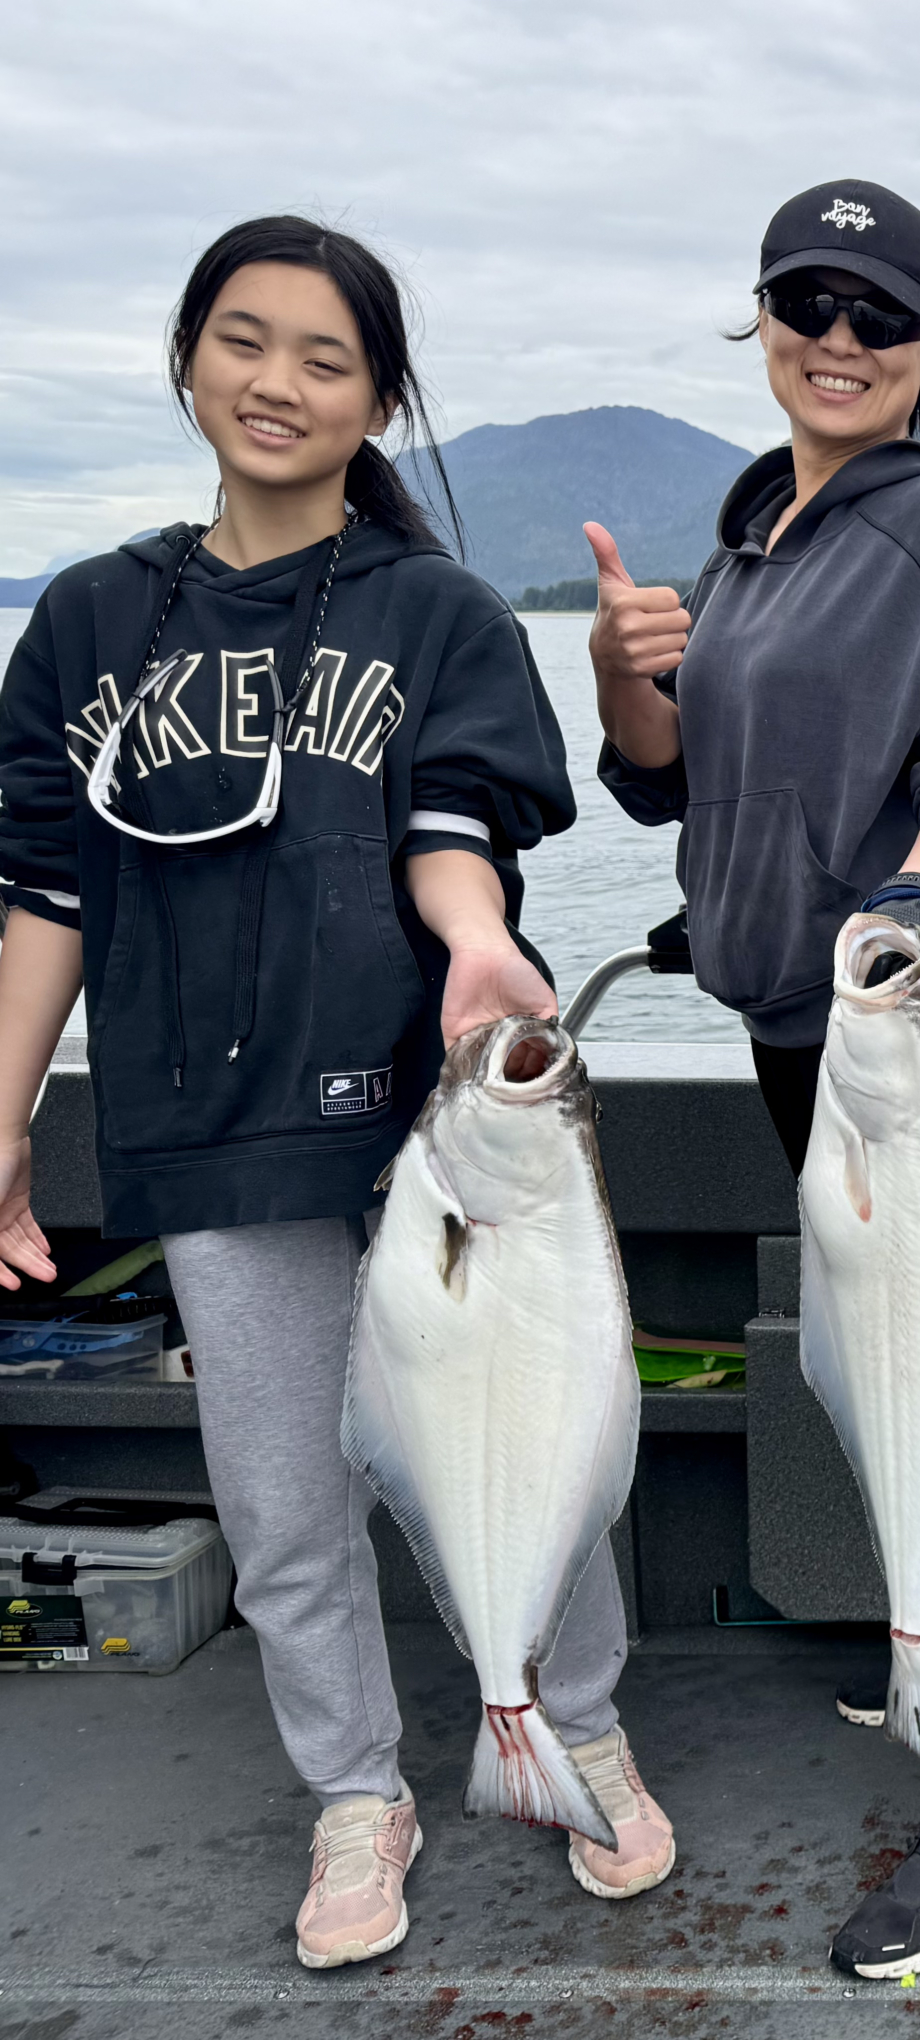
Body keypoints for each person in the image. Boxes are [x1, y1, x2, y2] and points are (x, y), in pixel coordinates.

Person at [0, 216, 671, 1968]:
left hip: (435, 1133)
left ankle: (571, 1720)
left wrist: (472, 944)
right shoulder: (80, 624)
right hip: (211, 1138)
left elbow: (454, 824)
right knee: (287, 1501)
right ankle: (357, 1792)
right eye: (245, 339)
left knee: (520, 1461)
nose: (277, 381)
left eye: (324, 357)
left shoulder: (435, 610)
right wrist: (1, 1129)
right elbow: (44, 897)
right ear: (186, 360)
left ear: (379, 400)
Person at [586, 178, 920, 1979]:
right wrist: (626, 673)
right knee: (886, 1354)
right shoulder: (746, 542)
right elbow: (669, 785)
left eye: (882, 315)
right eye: (809, 300)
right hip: (795, 1028)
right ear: (763, 320)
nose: (841, 339)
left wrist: (902, 905)